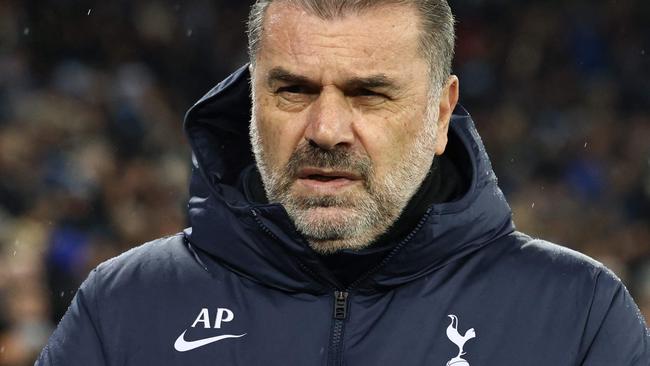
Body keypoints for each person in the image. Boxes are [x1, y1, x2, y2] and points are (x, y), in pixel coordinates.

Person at [37, 0, 649, 365]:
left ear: (441, 112)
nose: (326, 128)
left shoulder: (578, 316)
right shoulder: (122, 307)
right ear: (252, 102)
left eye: (369, 93)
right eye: (294, 90)